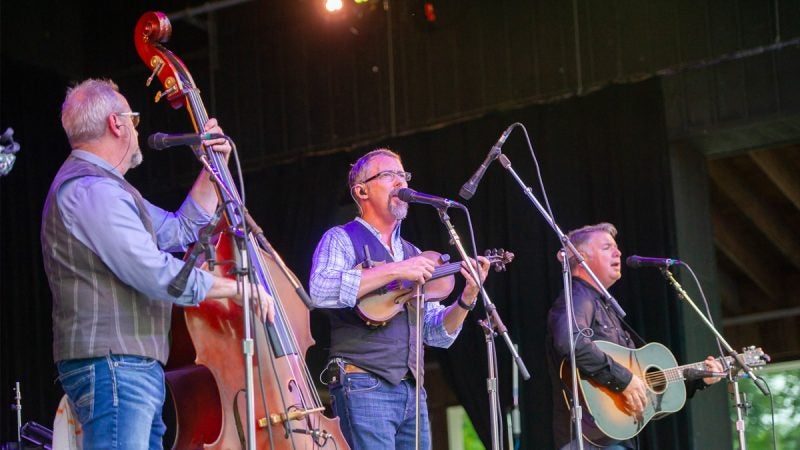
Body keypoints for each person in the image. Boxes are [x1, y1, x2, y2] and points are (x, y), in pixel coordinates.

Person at [41, 78, 273, 449]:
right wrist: (235, 287)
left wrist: (214, 169)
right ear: (116, 124)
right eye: (132, 119)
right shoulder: (93, 192)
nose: (136, 129)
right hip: (115, 365)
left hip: (128, 366)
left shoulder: (108, 190)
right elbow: (154, 272)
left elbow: (180, 230)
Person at [308, 148, 491, 450]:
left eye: (402, 175)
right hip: (364, 382)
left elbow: (436, 332)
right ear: (361, 190)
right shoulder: (341, 238)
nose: (400, 183)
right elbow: (320, 289)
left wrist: (467, 299)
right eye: (388, 175)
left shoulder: (413, 253)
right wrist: (397, 269)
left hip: (411, 389)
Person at [545, 222, 724, 450]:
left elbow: (647, 387)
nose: (618, 252)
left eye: (616, 247)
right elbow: (569, 340)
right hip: (590, 439)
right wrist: (623, 379)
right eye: (607, 247)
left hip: (612, 438)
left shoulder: (604, 307)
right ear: (581, 257)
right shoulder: (579, 297)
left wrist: (700, 378)